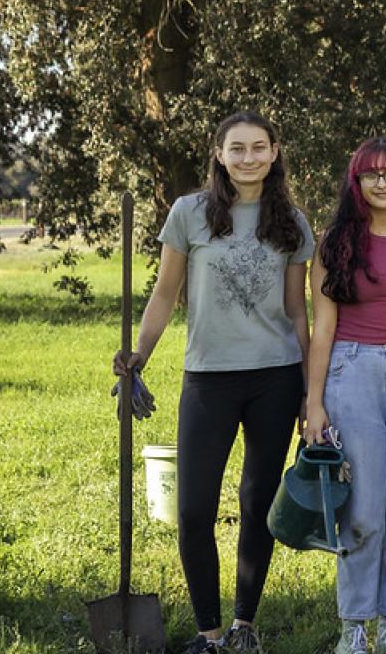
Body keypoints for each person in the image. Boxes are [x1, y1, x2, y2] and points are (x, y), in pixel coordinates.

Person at [112, 111, 313, 654]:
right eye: (237, 149)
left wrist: (311, 389)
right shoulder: (189, 213)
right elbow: (163, 293)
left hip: (275, 377)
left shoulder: (292, 221)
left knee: (257, 502)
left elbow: (298, 311)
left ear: (274, 153)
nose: (248, 158)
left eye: (258, 148)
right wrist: (140, 354)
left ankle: (245, 625)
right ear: (220, 155)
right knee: (194, 508)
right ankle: (208, 633)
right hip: (208, 377)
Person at [303, 138, 386, 654]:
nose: (382, 183)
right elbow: (322, 330)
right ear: (355, 183)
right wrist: (313, 404)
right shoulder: (335, 243)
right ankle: (353, 627)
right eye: (370, 174)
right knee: (362, 511)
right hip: (351, 370)